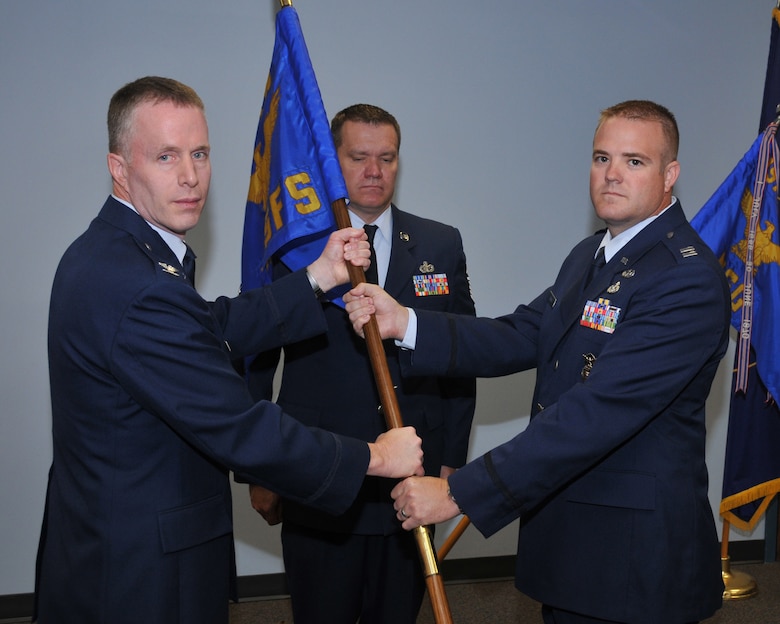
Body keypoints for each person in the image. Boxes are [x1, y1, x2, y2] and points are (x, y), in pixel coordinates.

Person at [33, 76, 424, 624]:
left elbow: (208, 326)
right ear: (120, 169)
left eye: (200, 153)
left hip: (113, 539)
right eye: (165, 156)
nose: (191, 176)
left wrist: (316, 276)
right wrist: (376, 457)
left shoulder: (117, 253)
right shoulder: (135, 284)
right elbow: (243, 427)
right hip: (139, 571)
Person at [345, 100, 729, 624]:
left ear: (670, 175)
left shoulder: (686, 280)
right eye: (601, 158)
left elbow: (596, 412)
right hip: (572, 539)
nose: (612, 174)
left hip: (634, 559)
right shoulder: (590, 254)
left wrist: (459, 491)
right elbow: (522, 332)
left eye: (634, 161)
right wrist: (405, 323)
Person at [246, 103, 476, 623]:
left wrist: (452, 459)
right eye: (359, 157)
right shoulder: (297, 246)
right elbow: (257, 354)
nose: (375, 171)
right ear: (334, 163)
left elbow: (460, 356)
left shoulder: (442, 243)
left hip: (414, 475)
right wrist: (259, 468)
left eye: (387, 158)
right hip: (320, 472)